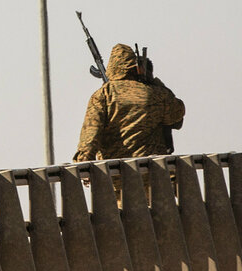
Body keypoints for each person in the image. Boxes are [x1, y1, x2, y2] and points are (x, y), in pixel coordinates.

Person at [73, 43, 185, 200]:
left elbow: (91, 134)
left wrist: (84, 163)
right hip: (156, 179)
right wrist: (156, 84)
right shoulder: (155, 94)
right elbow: (177, 114)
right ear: (135, 67)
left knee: (124, 222)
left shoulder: (103, 96)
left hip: (118, 180)